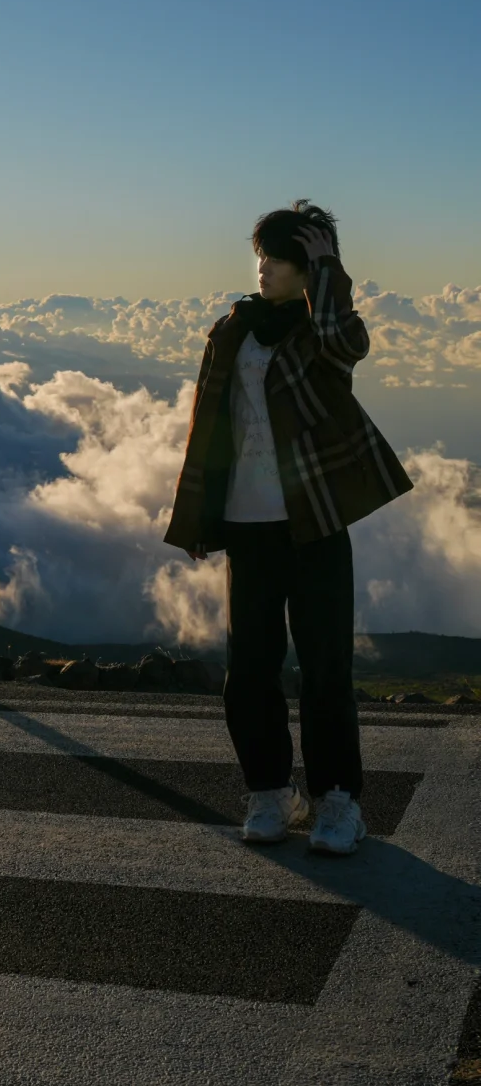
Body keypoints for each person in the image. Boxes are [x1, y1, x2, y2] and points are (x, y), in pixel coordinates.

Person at [163, 200, 413, 856]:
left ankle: (339, 802)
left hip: (315, 524)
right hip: (247, 525)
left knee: (326, 667)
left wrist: (331, 270)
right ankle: (270, 790)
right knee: (250, 668)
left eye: (280, 259)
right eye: (263, 257)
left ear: (308, 270)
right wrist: (197, 516)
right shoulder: (232, 330)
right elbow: (209, 431)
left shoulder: (320, 333)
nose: (264, 268)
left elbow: (344, 341)